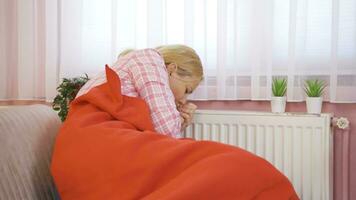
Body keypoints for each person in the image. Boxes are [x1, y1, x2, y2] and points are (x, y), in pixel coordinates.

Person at [76, 44, 203, 138]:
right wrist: (179, 119)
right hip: (94, 133)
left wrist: (178, 121)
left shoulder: (138, 75)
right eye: (187, 90)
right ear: (171, 69)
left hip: (88, 133)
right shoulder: (150, 58)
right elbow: (166, 130)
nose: (184, 100)